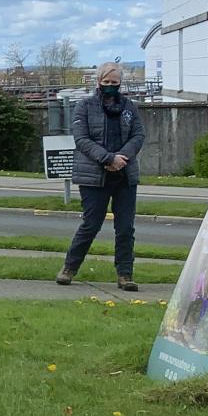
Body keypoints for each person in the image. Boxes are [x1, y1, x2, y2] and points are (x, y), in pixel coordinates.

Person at [57, 61, 146, 292]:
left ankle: (125, 275)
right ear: (98, 82)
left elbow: (138, 135)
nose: (110, 86)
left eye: (114, 83)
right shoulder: (84, 107)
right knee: (91, 225)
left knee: (125, 228)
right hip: (93, 176)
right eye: (106, 82)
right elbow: (82, 140)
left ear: (120, 84)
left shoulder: (129, 108)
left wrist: (122, 158)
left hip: (124, 176)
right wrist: (108, 159)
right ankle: (69, 267)